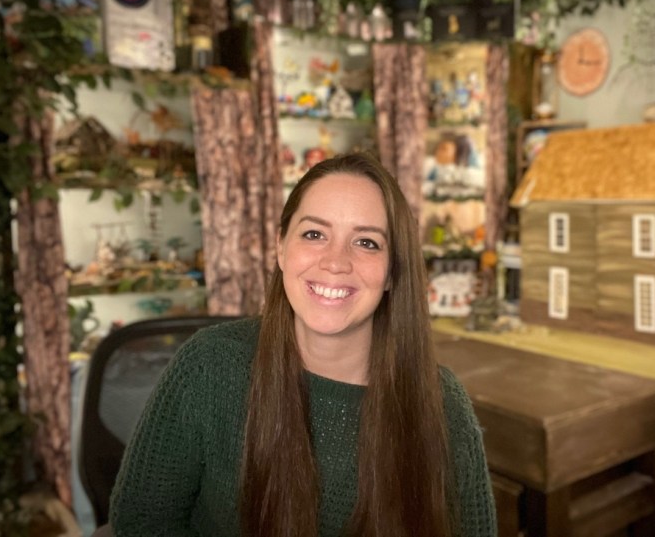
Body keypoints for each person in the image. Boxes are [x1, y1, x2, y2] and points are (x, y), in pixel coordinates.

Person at [109, 152, 497, 536]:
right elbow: (141, 522)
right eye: (314, 234)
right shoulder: (210, 365)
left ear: (393, 271)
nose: (335, 261)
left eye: (366, 242)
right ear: (281, 248)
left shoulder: (443, 405)